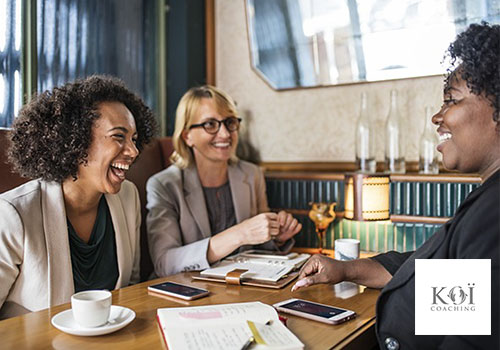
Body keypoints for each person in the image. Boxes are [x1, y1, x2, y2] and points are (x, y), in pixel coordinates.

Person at [292, 22, 499, 349]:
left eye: (451, 100)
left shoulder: (494, 217)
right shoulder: (488, 203)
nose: (437, 116)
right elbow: (445, 280)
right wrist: (346, 269)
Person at [0, 75, 157, 319]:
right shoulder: (13, 213)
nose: (133, 151)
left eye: (134, 139)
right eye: (119, 136)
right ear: (76, 141)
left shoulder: (128, 197)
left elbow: (129, 289)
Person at [147, 85, 302, 276]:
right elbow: (164, 263)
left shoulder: (252, 174)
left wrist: (277, 237)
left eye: (230, 122)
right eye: (210, 124)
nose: (225, 134)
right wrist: (240, 234)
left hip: (241, 287)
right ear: (187, 136)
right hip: (187, 292)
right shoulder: (163, 185)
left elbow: (258, 248)